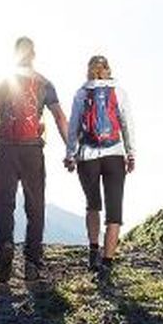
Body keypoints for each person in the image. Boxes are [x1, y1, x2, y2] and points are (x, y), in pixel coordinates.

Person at [0, 36, 69, 284]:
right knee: (35, 205)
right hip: (32, 151)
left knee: (2, 203)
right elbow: (60, 118)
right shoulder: (44, 82)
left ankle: (4, 248)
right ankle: (32, 262)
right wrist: (70, 150)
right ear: (33, 55)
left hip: (5, 150)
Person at [64, 54, 135, 277]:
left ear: (88, 70)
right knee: (115, 211)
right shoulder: (119, 92)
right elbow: (126, 124)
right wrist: (131, 153)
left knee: (92, 205)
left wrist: (70, 154)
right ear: (108, 69)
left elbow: (73, 126)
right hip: (114, 155)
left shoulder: (81, 93)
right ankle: (108, 263)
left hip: (88, 156)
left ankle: (93, 252)